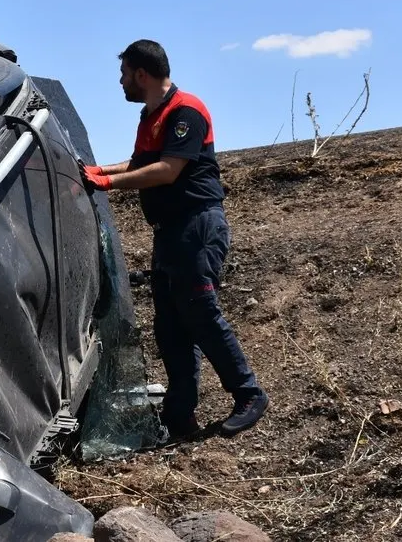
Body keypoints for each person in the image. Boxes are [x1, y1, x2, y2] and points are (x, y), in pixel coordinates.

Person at [79, 39, 269, 440]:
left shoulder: (187, 111)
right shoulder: (151, 116)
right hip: (169, 232)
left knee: (199, 311)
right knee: (170, 326)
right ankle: (180, 416)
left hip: (197, 225)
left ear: (141, 74)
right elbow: (140, 164)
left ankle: (249, 394)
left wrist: (108, 183)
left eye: (124, 74)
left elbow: (167, 170)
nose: (121, 83)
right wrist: (96, 171)